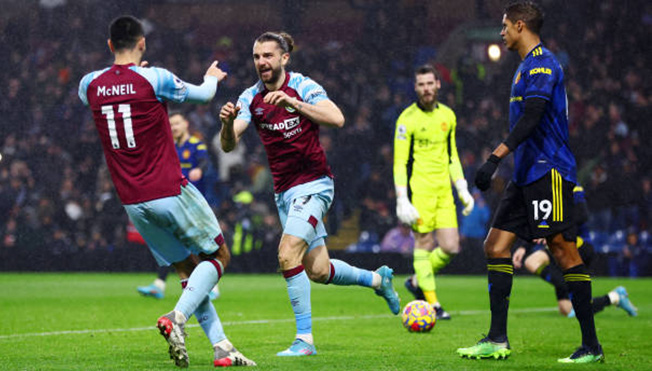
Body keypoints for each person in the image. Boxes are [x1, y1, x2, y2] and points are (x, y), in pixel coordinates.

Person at [78, 16, 254, 367]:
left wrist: (134, 80)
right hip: (169, 188)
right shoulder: (154, 77)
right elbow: (203, 95)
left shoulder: (89, 84)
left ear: (110, 46)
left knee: (188, 271)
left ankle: (221, 347)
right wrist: (211, 78)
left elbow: (116, 96)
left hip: (132, 201)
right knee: (219, 258)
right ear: (142, 43)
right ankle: (176, 318)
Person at [218, 31, 400, 357]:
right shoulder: (251, 97)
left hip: (315, 184)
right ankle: (377, 280)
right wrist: (227, 125)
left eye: (268, 56)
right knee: (318, 270)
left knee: (287, 254)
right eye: (257, 56)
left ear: (284, 58)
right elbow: (229, 143)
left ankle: (305, 341)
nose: (261, 62)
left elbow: (338, 118)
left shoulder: (302, 86)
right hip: (284, 192)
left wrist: (294, 103)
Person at [457, 1, 603, 363]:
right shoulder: (525, 66)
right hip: (525, 175)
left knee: (562, 250)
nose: (501, 32)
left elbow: (533, 118)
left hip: (548, 170)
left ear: (521, 25)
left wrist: (494, 158)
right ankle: (497, 338)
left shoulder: (541, 64)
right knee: (495, 245)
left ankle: (591, 346)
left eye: (505, 26)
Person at [393, 64, 474, 319]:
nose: (426, 89)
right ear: (416, 88)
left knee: (450, 247)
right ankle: (433, 303)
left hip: (444, 193)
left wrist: (462, 187)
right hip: (421, 192)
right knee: (424, 244)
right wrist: (402, 199)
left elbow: (452, 155)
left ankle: (417, 280)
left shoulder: (448, 116)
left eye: (430, 83)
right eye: (421, 84)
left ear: (438, 84)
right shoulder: (407, 120)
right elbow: (399, 162)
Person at [512, 185, 638, 317]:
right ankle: (614, 297)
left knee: (532, 261)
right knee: (568, 310)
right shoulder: (545, 193)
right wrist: (523, 247)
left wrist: (552, 230)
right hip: (559, 246)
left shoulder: (572, 187)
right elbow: (537, 223)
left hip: (579, 246)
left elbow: (581, 215)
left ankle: (565, 284)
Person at [137, 111, 220, 301]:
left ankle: (213, 285)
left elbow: (205, 161)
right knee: (169, 242)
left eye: (177, 123)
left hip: (194, 204)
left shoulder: (196, 144)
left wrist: (200, 168)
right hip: (174, 202)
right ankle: (159, 285)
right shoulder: (169, 147)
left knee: (201, 245)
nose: (173, 127)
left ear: (186, 124)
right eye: (171, 124)